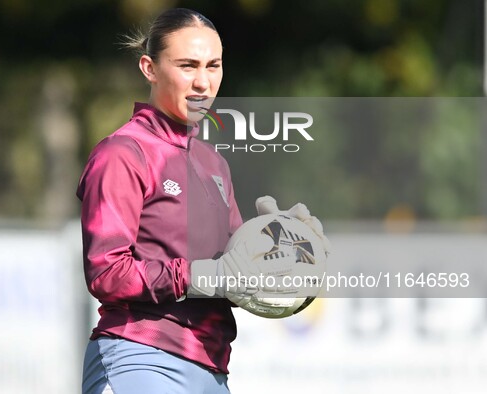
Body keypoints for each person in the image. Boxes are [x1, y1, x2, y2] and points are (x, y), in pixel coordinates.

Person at [77, 8, 328, 394]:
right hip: (139, 357)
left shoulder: (214, 163)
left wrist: (285, 252)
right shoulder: (123, 153)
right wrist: (199, 275)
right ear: (149, 67)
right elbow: (107, 273)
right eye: (187, 65)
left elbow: (235, 280)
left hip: (211, 371)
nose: (203, 83)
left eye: (213, 66)